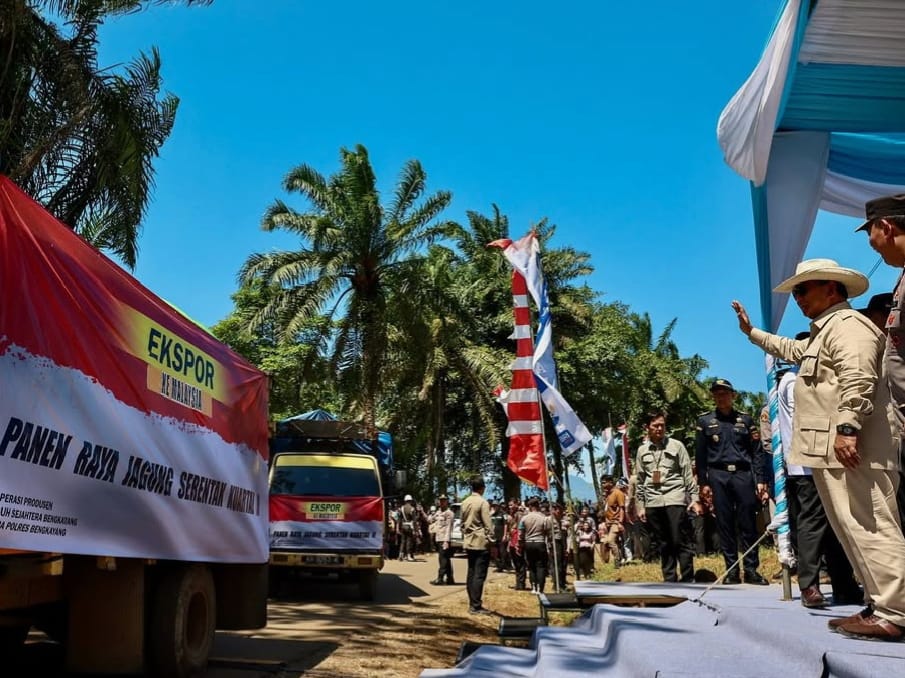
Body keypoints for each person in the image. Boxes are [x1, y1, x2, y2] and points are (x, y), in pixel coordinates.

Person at [733, 254, 905, 641]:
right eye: (795, 291)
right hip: (835, 451)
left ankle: (897, 611)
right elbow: (793, 351)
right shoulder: (825, 331)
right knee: (853, 529)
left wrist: (847, 428)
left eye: (803, 289)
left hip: (853, 447)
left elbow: (858, 378)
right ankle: (882, 604)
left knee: (872, 527)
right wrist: (752, 333)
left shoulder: (848, 326)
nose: (797, 297)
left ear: (831, 288)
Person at [774, 337, 861, 609]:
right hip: (807, 466)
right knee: (812, 525)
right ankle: (808, 584)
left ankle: (843, 584)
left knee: (837, 526)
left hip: (827, 462)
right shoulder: (793, 381)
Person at [695, 378, 769, 585]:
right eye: (717, 394)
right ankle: (732, 571)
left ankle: (752, 569)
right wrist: (704, 483)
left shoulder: (745, 421)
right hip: (718, 476)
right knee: (725, 524)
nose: (721, 397)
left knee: (748, 524)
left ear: (733, 396)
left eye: (725, 393)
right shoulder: (705, 422)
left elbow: (756, 453)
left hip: (742, 475)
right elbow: (700, 456)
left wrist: (760, 480)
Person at [636, 411, 701, 583]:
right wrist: (640, 505)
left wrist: (694, 499)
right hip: (653, 500)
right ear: (647, 428)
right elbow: (640, 480)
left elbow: (688, 474)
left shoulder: (677, 446)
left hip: (675, 497)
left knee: (680, 539)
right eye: (655, 425)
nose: (659, 428)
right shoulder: (642, 451)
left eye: (662, 425)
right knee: (663, 542)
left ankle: (688, 578)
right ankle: (670, 579)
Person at [460, 475, 494, 614]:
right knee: (479, 575)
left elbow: (462, 523)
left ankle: (471, 602)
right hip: (480, 542)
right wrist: (492, 540)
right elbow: (488, 524)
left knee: (471, 572)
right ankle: (476, 605)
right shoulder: (483, 502)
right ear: (482, 488)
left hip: (468, 541)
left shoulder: (465, 502)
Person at [519, 496, 550, 594]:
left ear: (530, 506)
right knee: (540, 566)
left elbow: (521, 534)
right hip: (540, 542)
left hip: (529, 543)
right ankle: (540, 588)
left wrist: (520, 544)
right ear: (538, 506)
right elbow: (547, 531)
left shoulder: (524, 518)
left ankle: (533, 587)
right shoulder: (543, 518)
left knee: (531, 566)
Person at [598, 479, 625, 567]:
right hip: (608, 522)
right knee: (611, 542)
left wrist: (620, 522)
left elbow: (622, 508)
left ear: (610, 482)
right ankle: (616, 558)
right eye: (602, 483)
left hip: (616, 522)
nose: (603, 485)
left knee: (610, 541)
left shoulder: (618, 493)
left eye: (604, 482)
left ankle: (618, 560)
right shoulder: (607, 494)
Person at [430, 495, 455, 586]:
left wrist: (446, 541)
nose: (441, 502)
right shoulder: (438, 512)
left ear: (447, 501)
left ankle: (440, 578)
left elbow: (448, 528)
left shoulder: (449, 513)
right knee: (446, 559)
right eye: (440, 500)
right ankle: (450, 578)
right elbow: (430, 520)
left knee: (442, 559)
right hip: (438, 538)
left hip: (444, 539)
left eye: (443, 500)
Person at [398, 495, 418, 561]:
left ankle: (400, 555)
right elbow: (414, 520)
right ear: (410, 501)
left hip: (403, 526)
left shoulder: (402, 508)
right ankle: (409, 555)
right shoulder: (412, 509)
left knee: (403, 541)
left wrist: (399, 528)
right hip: (409, 526)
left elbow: (400, 519)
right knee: (409, 541)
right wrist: (415, 530)